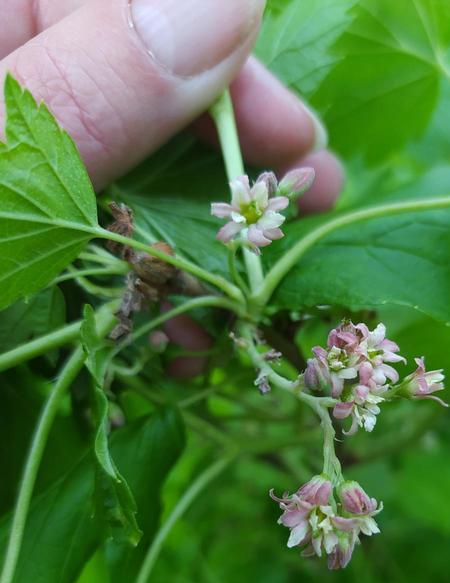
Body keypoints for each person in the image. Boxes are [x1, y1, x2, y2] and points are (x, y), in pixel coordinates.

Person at [0, 0, 344, 375]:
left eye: (254, 211)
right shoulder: (238, 215)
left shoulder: (245, 216)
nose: (250, 210)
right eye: (250, 209)